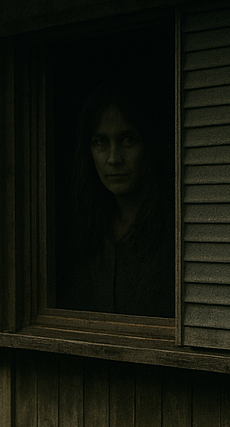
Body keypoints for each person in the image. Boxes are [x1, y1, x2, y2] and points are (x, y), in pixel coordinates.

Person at [58, 81, 176, 318]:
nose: (113, 158)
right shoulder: (84, 233)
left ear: (149, 144)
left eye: (127, 140)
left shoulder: (173, 234)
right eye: (101, 142)